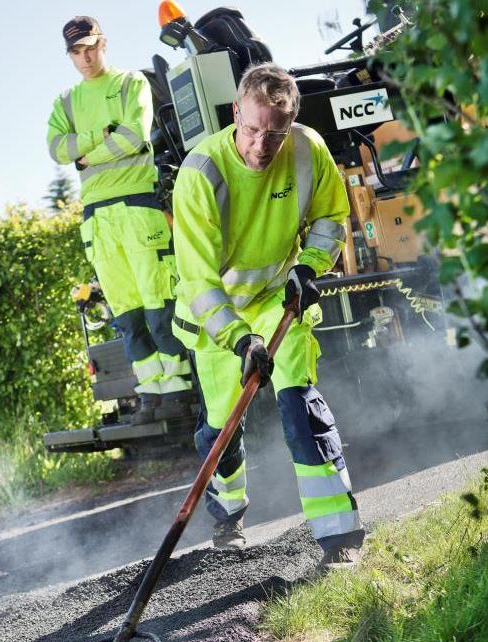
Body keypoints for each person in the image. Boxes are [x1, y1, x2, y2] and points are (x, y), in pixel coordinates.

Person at [171, 63, 365, 566]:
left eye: (274, 134)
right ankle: (228, 518)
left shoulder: (307, 148)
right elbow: (198, 281)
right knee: (221, 430)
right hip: (219, 318)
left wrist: (309, 266)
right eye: (252, 129)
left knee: (301, 406)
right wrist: (240, 341)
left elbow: (330, 216)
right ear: (235, 113)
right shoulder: (201, 173)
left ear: (291, 123)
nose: (261, 145)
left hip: (282, 300)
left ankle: (340, 539)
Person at [47, 16, 192, 424]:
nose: (85, 57)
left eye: (90, 47)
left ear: (103, 43)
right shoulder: (65, 102)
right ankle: (150, 394)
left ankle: (177, 389)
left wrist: (87, 154)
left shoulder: (131, 84)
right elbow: (57, 149)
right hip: (98, 219)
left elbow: (133, 135)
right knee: (126, 313)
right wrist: (102, 138)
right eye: (76, 52)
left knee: (158, 302)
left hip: (137, 208)